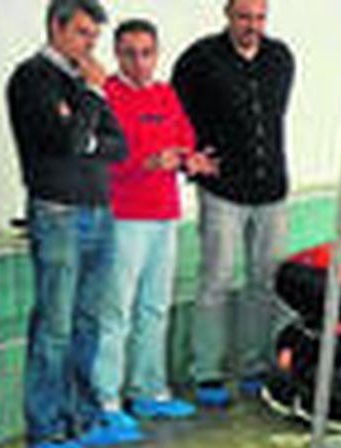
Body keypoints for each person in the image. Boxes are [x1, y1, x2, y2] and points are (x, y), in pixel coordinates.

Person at [6, 0, 134, 448]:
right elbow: (68, 141)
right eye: (82, 34)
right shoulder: (32, 79)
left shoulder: (81, 85)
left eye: (94, 37)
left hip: (99, 211)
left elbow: (118, 146)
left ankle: (82, 417)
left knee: (88, 323)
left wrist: (87, 123)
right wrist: (94, 99)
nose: (89, 47)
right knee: (54, 326)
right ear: (56, 29)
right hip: (58, 213)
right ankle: (46, 429)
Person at [171, 0, 295, 407]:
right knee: (216, 282)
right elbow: (175, 115)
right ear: (227, 15)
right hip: (223, 190)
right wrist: (192, 162)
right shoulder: (199, 60)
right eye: (244, 17)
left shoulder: (280, 58)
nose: (252, 26)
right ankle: (206, 371)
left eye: (260, 18)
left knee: (265, 283)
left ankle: (254, 365)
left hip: (271, 190)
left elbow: (271, 119)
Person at [99, 19, 214, 423]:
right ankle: (106, 400)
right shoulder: (105, 96)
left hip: (164, 214)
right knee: (116, 311)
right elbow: (102, 157)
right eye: (129, 53)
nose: (139, 62)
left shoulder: (165, 95)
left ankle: (149, 389)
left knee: (155, 307)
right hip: (123, 217)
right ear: (116, 54)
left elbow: (184, 138)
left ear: (156, 54)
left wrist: (189, 159)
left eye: (146, 53)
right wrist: (145, 162)